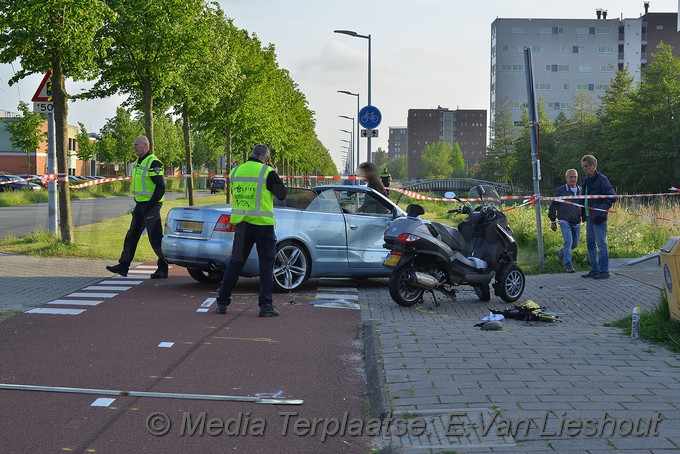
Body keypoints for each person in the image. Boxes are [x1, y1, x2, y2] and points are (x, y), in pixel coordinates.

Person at [215, 144, 287, 317]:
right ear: (266, 158)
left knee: (236, 263)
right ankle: (265, 306)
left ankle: (222, 302)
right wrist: (273, 172)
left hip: (242, 226)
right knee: (266, 265)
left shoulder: (236, 172)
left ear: (252, 154)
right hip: (263, 225)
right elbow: (282, 194)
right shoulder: (266, 172)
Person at [106, 136, 168, 279]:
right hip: (140, 205)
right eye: (133, 145)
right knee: (132, 235)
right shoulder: (138, 162)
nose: (134, 147)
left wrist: (152, 204)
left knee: (156, 238)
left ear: (145, 145)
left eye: (136, 145)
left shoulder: (154, 163)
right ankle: (123, 266)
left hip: (151, 206)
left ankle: (163, 269)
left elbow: (160, 187)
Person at [580, 154, 616, 279]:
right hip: (589, 216)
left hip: (598, 216)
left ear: (593, 166)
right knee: (590, 243)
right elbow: (584, 198)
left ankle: (604, 270)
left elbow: (612, 196)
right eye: (583, 166)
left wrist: (601, 209)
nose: (584, 169)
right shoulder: (585, 180)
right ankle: (594, 268)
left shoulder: (602, 179)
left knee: (601, 243)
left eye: (586, 166)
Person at [548, 169, 584, 273]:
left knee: (575, 244)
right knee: (568, 242)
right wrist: (553, 221)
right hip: (564, 219)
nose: (573, 179)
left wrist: (584, 217)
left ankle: (560, 253)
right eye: (571, 177)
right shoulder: (560, 191)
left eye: (575, 177)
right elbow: (553, 206)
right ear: (566, 178)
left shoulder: (581, 190)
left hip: (576, 220)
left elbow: (584, 205)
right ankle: (568, 266)